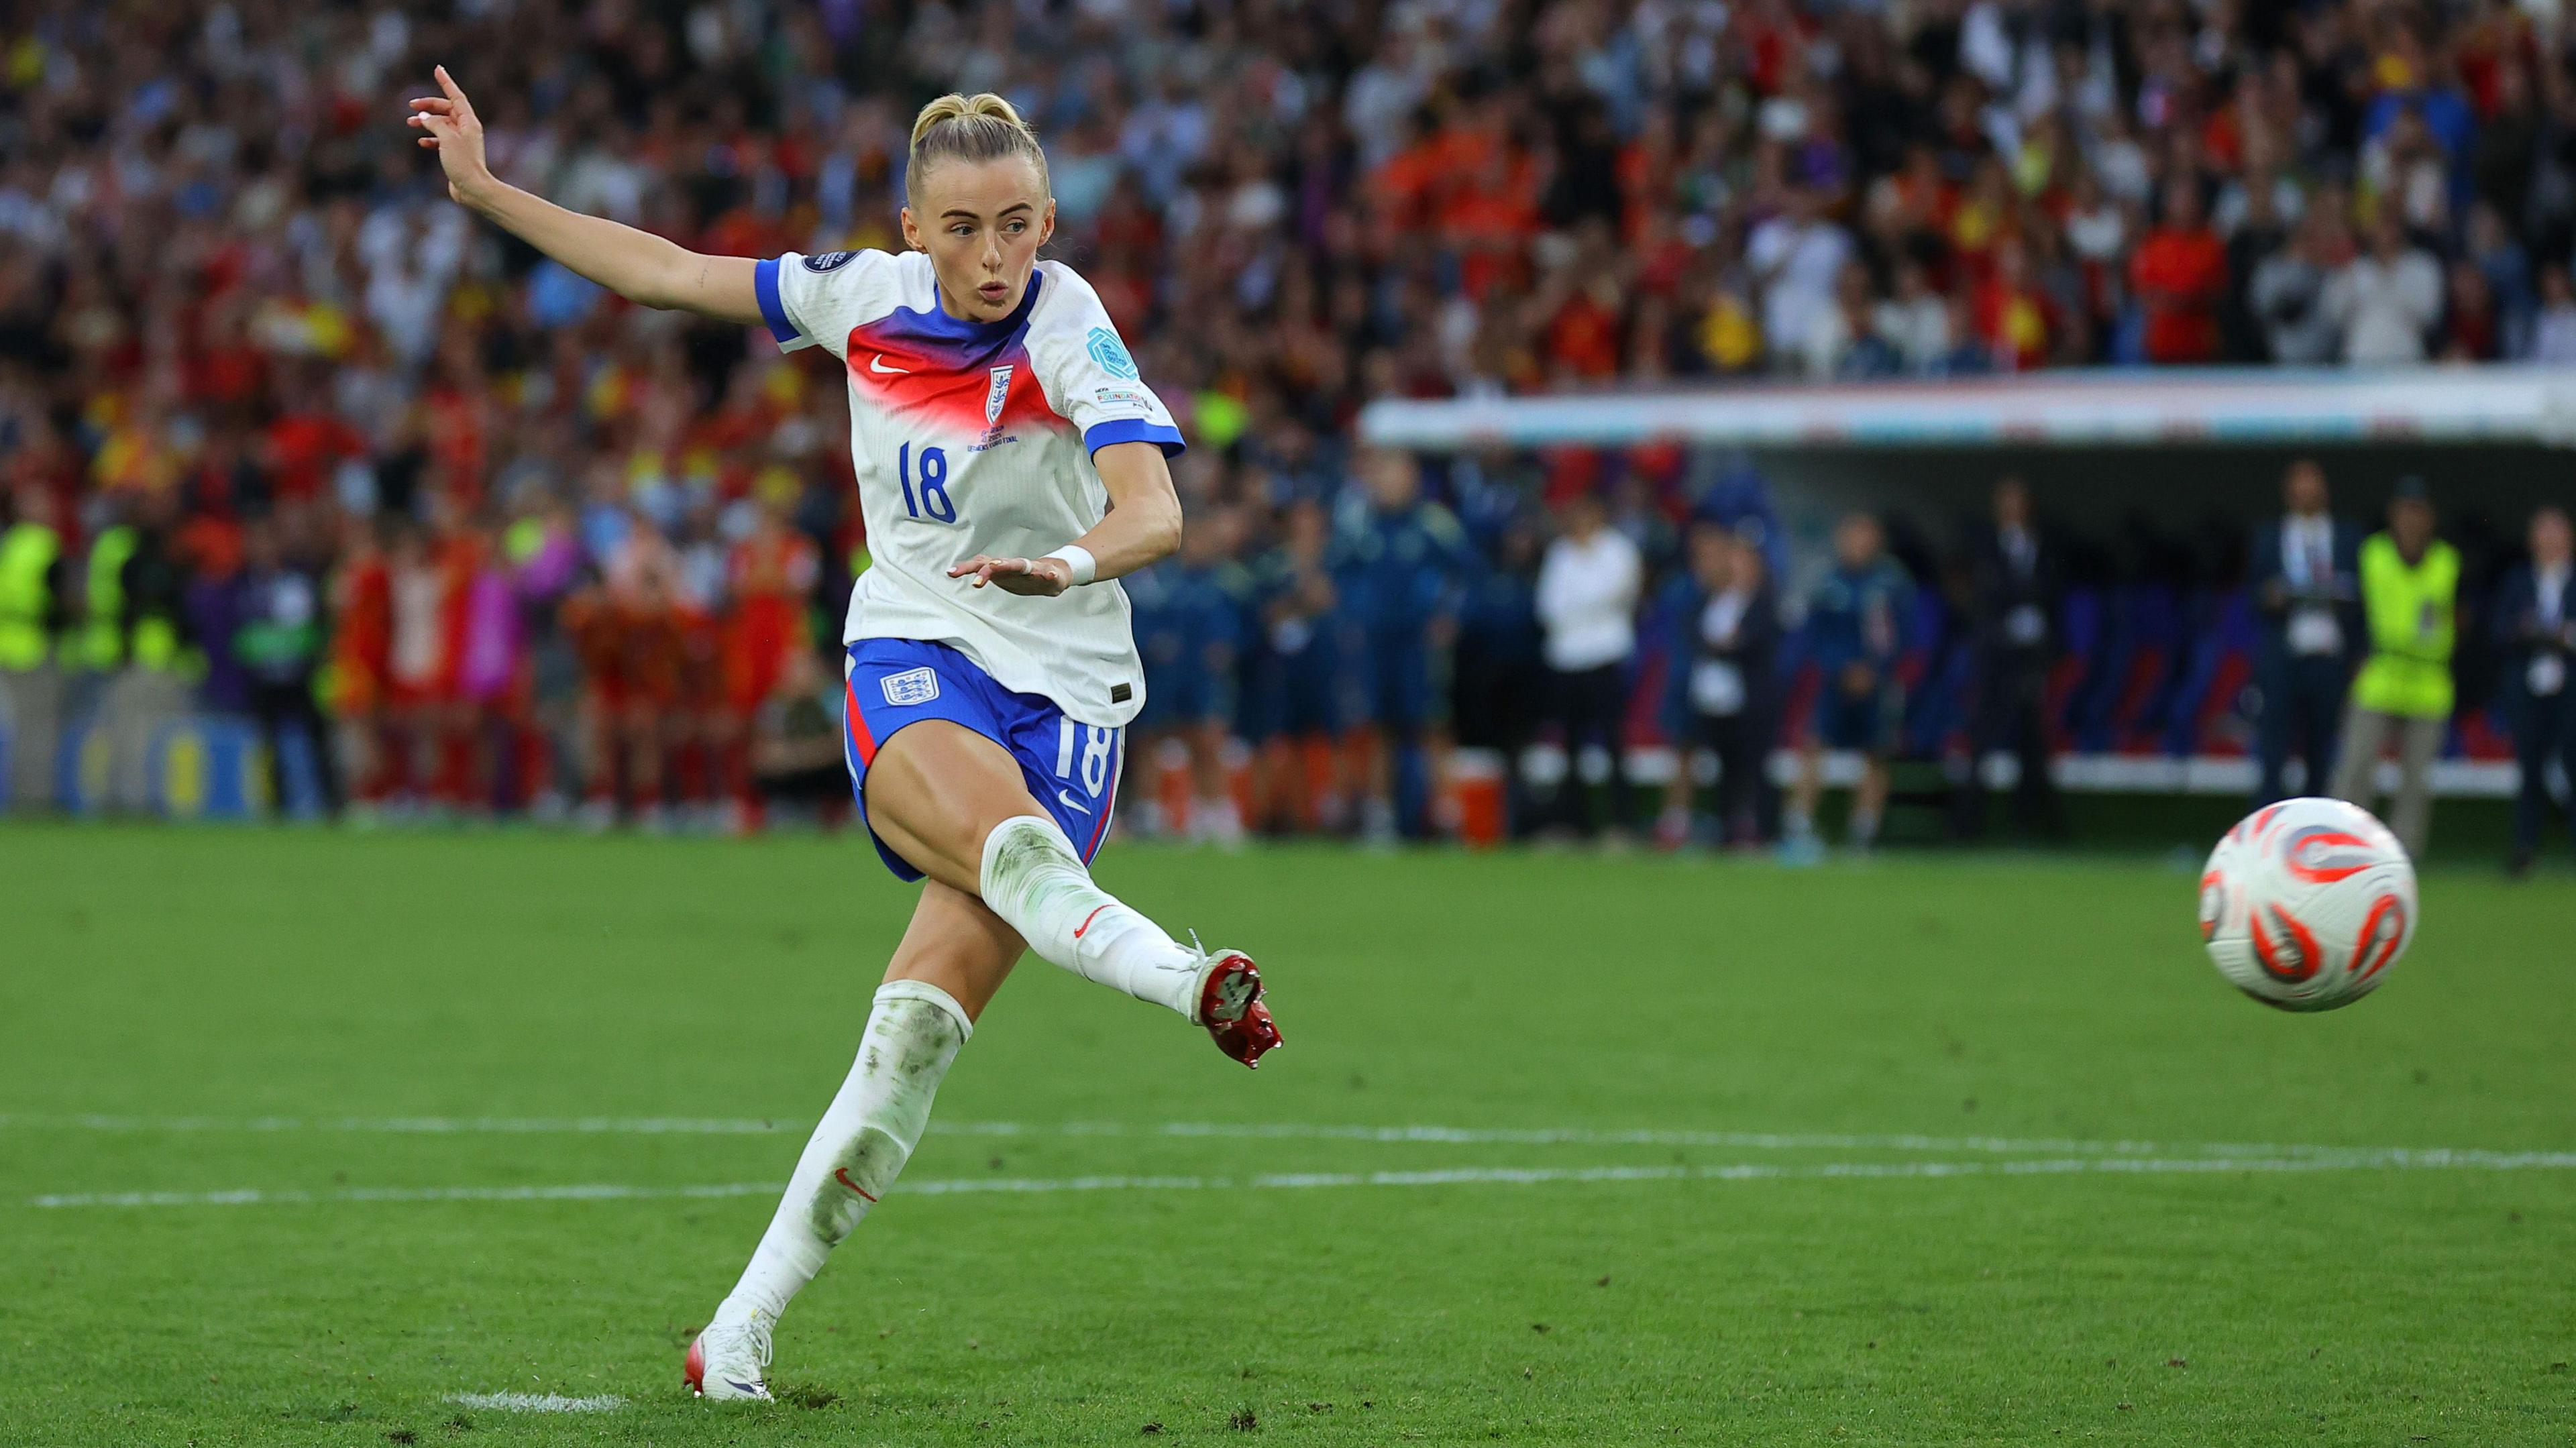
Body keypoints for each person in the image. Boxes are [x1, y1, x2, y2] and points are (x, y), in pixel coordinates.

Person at [407, 74, 1280, 1400]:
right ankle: (1186, 978)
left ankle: (735, 1331)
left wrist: (1065, 560)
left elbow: (1154, 509)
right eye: (969, 226)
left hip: (1073, 690)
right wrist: (484, 190)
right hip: (921, 649)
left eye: (1022, 223)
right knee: (1017, 855)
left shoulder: (1068, 321)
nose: (998, 255)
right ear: (915, 226)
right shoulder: (861, 299)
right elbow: (669, 273)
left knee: (914, 1037)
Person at [1332, 447, 1468, 841]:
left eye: (1395, 474)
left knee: (1431, 724)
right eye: (1381, 474)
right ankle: (1381, 817)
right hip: (1375, 643)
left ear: (1412, 478)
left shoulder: (1434, 526)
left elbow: (1466, 576)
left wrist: (1447, 617)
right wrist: (1354, 617)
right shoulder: (1360, 527)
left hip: (1419, 643)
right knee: (1378, 727)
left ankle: (1447, 816)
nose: (1387, 483)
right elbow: (1338, 576)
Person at [2328, 478, 2457, 858]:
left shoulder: (2447, 561)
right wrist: (2354, 656)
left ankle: (2399, 865)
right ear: (2393, 515)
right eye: (2405, 511)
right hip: (2380, 675)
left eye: (2419, 512)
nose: (2411, 521)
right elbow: (2350, 608)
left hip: (2428, 681)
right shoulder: (2372, 554)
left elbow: (2461, 618)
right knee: (2354, 772)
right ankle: (2342, 852)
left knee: (2415, 785)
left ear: (2431, 518)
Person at [1788, 512, 1912, 856]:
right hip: (1834, 683)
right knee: (1815, 746)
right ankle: (1798, 828)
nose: (1859, 543)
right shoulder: (1826, 581)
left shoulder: (1891, 583)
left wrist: (1876, 670)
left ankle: (1863, 835)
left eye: (1867, 535)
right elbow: (1813, 635)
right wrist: (1840, 668)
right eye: (1853, 535)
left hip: (1877, 684)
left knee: (1877, 754)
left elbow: (1905, 634)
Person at [1951, 477, 2065, 840]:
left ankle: (2032, 826)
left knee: (2032, 746)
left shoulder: (2044, 545)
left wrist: (2041, 637)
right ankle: (1966, 828)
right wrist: (2003, 627)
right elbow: (1977, 595)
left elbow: (2053, 593)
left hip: (2030, 661)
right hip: (1994, 662)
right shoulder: (1983, 545)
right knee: (1982, 743)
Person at [1661, 520, 1779, 848]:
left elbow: (1754, 643)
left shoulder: (1764, 602)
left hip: (1752, 699)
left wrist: (1728, 646)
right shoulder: (1707, 598)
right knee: (1725, 768)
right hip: (1715, 699)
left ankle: (1764, 831)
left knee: (1754, 767)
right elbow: (1697, 636)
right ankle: (1727, 830)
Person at [1533, 485, 1642, 838]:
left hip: (1606, 657)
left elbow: (1617, 596)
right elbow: (1548, 608)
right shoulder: (1560, 554)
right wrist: (1587, 608)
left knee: (1612, 742)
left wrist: (1577, 609)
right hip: (1566, 660)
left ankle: (1620, 823)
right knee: (1571, 745)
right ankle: (1575, 824)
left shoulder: (1619, 551)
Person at [2249, 460, 2361, 804]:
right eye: (2299, 484)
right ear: (2288, 493)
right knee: (2273, 751)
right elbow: (2254, 595)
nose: (2306, 492)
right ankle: (2266, 836)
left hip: (2329, 656)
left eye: (2312, 483)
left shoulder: (2347, 536)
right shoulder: (2270, 537)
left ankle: (2316, 836)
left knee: (2321, 753)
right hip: (2285, 657)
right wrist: (2271, 596)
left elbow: (2361, 599)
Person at [2493, 505, 2576, 875]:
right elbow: (2499, 629)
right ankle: (2525, 848)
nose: (2550, 540)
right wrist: (2526, 631)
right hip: (2530, 686)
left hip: (2570, 686)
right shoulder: (2517, 580)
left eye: (2557, 532)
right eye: (2543, 532)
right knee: (2529, 770)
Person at [0, 484, 72, 813]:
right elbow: (61, 599)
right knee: (39, 729)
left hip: (6, 645)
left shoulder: (9, 544)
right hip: (34, 646)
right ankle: (36, 799)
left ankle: (18, 795)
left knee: (16, 729)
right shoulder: (45, 545)